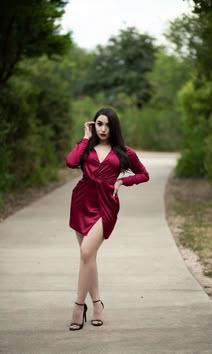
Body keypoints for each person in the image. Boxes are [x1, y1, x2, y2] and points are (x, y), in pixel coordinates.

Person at [65, 107, 149, 331]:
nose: (103, 129)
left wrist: (123, 182)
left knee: (85, 253)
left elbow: (144, 174)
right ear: (94, 126)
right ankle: (97, 305)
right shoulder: (86, 147)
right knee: (88, 258)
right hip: (81, 202)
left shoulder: (124, 152)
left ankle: (77, 306)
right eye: (99, 124)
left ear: (114, 127)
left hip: (106, 206)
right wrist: (84, 138)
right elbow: (71, 162)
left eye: (108, 125)